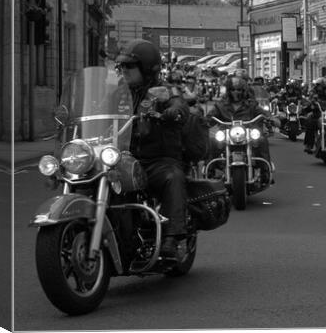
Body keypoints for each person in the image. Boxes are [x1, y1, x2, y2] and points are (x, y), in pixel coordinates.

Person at [115, 39, 190, 259]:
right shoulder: (119, 93)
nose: (124, 70)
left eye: (129, 66)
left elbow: (179, 104)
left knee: (172, 177)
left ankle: (172, 237)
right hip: (124, 158)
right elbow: (99, 111)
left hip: (157, 159)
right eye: (122, 66)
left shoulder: (164, 91)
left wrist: (174, 111)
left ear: (147, 68)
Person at [207, 75, 279, 163]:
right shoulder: (220, 106)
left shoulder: (251, 105)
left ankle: (266, 170)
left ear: (243, 91)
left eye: (238, 90)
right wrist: (204, 121)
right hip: (226, 135)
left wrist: (272, 118)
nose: (235, 92)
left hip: (247, 135)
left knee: (262, 141)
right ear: (229, 91)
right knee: (212, 141)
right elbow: (210, 116)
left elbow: (263, 113)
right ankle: (209, 168)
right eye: (233, 90)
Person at [302, 77, 326, 154]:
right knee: (310, 120)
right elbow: (310, 104)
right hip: (320, 117)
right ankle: (309, 145)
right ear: (323, 89)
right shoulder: (317, 97)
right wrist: (310, 106)